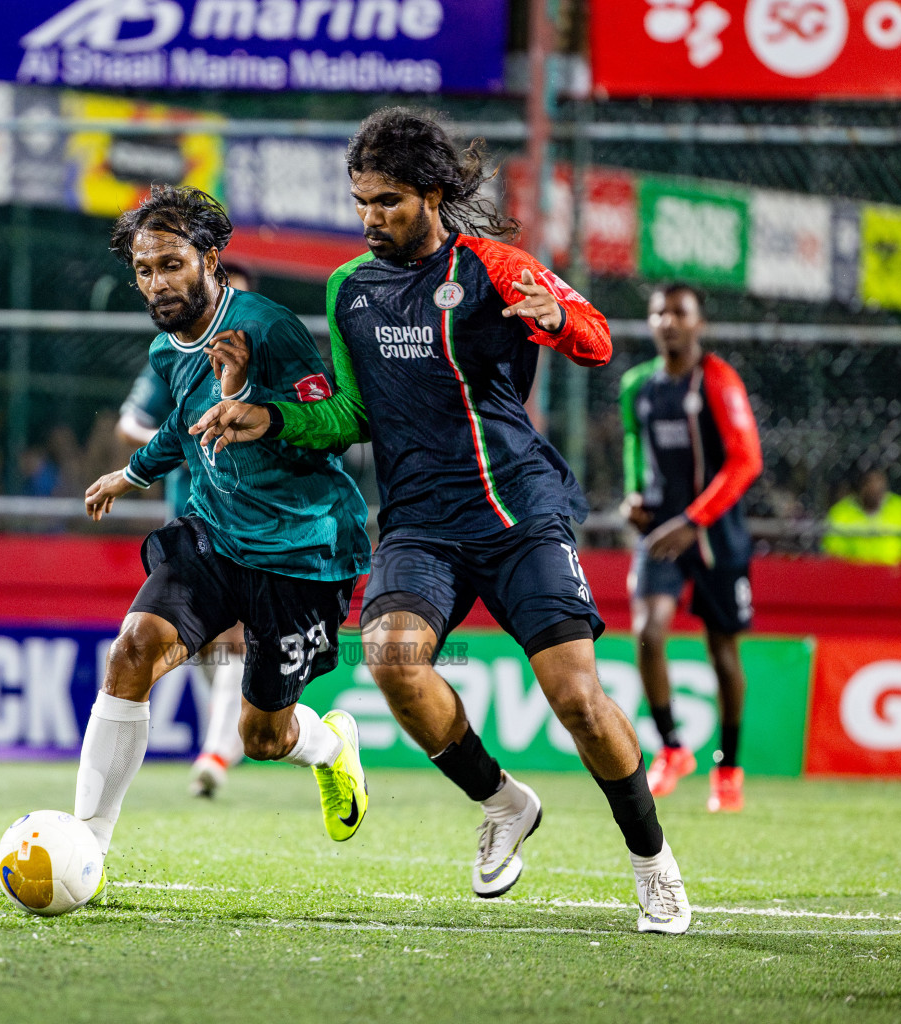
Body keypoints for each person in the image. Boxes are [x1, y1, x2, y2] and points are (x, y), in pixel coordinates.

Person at [192, 107, 691, 934]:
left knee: (576, 698)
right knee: (392, 660)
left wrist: (558, 317)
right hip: (421, 523)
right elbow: (353, 415)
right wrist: (271, 417)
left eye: (386, 201)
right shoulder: (350, 290)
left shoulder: (493, 267)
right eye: (361, 201)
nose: (370, 217)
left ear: (431, 194)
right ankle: (503, 803)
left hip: (517, 510)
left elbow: (599, 340)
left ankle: (653, 863)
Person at [79, 185, 373, 868]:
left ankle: (330, 746)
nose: (158, 283)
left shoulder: (269, 329)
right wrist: (132, 475)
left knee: (263, 737)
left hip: (299, 550)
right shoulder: (166, 349)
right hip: (213, 533)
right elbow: (183, 424)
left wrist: (255, 405)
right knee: (130, 654)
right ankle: (86, 847)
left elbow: (335, 431)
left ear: (210, 259)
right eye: (145, 270)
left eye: (172, 264)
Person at [116, 261, 260, 798]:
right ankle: (231, 736)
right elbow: (130, 423)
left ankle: (216, 753)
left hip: (256, 522)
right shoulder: (175, 357)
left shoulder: (268, 354)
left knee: (234, 638)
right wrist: (176, 441)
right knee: (206, 645)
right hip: (190, 519)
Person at [618, 283, 763, 814]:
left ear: (699, 324)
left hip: (715, 535)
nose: (668, 321)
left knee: (723, 653)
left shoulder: (719, 380)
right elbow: (635, 447)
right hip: (661, 533)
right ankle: (673, 749)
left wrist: (693, 520)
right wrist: (634, 495)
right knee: (647, 632)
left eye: (680, 313)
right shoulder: (637, 385)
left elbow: (746, 460)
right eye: (660, 312)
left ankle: (728, 769)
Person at [822, 469, 901, 566]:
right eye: (868, 482)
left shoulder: (899, 507)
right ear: (860, 486)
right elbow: (833, 552)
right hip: (855, 570)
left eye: (879, 481)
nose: (874, 487)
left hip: (891, 569)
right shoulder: (841, 512)